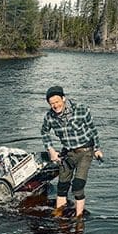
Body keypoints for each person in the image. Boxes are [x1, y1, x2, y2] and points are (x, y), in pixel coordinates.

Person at [40, 86, 103, 218]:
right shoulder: (50, 117)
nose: (55, 106)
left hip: (85, 151)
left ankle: (79, 218)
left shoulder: (81, 109)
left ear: (63, 98)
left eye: (57, 102)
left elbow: (93, 129)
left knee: (78, 186)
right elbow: (44, 132)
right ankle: (59, 215)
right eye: (51, 104)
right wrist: (50, 149)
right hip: (67, 153)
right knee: (62, 186)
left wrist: (97, 149)